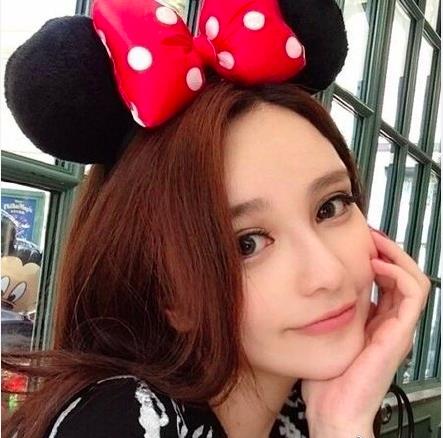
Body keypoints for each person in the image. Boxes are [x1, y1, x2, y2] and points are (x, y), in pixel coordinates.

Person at [2, 0, 431, 437]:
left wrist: (341, 423)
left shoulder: (304, 404)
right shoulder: (122, 421)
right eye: (247, 244)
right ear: (167, 293)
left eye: (331, 207)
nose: (328, 273)